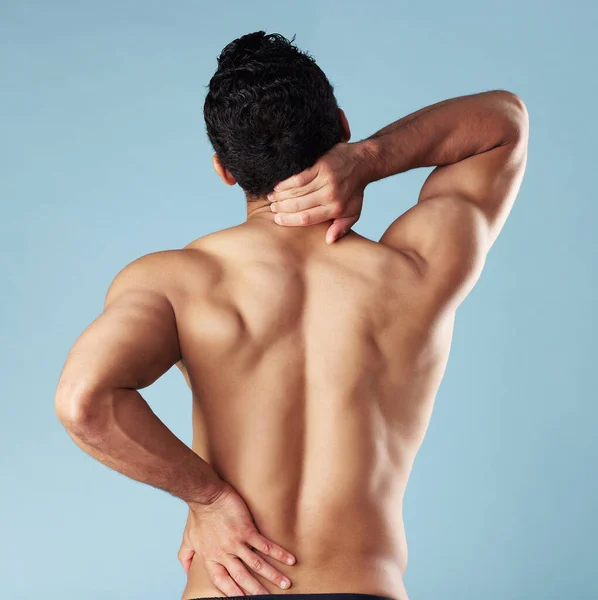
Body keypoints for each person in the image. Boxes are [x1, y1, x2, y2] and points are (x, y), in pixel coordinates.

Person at [54, 31, 529, 600]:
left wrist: (208, 497)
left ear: (225, 169)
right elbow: (504, 124)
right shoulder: (414, 270)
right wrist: (370, 161)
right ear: (344, 128)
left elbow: (85, 401)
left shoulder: (174, 283)